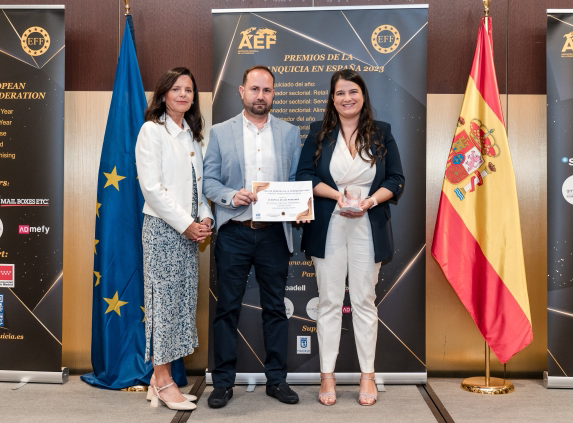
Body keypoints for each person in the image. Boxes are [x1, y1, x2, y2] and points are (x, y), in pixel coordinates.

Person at [296, 69, 404, 406]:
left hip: (367, 225)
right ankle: (326, 375)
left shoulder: (381, 132)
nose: (347, 98)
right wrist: (336, 196)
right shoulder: (318, 132)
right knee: (328, 301)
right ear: (332, 98)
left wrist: (370, 201)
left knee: (363, 301)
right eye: (340, 93)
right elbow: (304, 176)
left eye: (353, 92)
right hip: (329, 223)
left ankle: (367, 376)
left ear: (363, 95)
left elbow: (397, 178)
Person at [203, 65, 302, 408]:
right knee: (227, 309)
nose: (261, 96)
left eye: (267, 90)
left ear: (274, 94)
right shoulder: (220, 132)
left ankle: (277, 381)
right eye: (255, 89)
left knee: (275, 309)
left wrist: (298, 205)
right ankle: (223, 384)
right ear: (241, 92)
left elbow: (294, 181)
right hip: (235, 233)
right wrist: (232, 196)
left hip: (275, 235)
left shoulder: (290, 133)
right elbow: (209, 182)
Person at [135, 67, 213, 411]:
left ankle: (160, 379)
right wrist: (186, 224)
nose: (183, 94)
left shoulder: (193, 135)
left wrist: (206, 215)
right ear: (164, 93)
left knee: (180, 304)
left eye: (189, 90)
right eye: (177, 88)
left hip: (188, 231)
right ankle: (163, 381)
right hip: (164, 230)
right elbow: (152, 188)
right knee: (163, 305)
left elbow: (199, 187)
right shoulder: (152, 131)